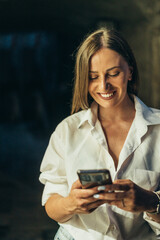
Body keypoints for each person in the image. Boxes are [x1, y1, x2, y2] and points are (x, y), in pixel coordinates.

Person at [39, 28, 160, 240]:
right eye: (93, 77)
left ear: (130, 71)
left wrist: (151, 202)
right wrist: (71, 203)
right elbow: (51, 205)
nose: (103, 85)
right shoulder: (67, 131)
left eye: (113, 73)